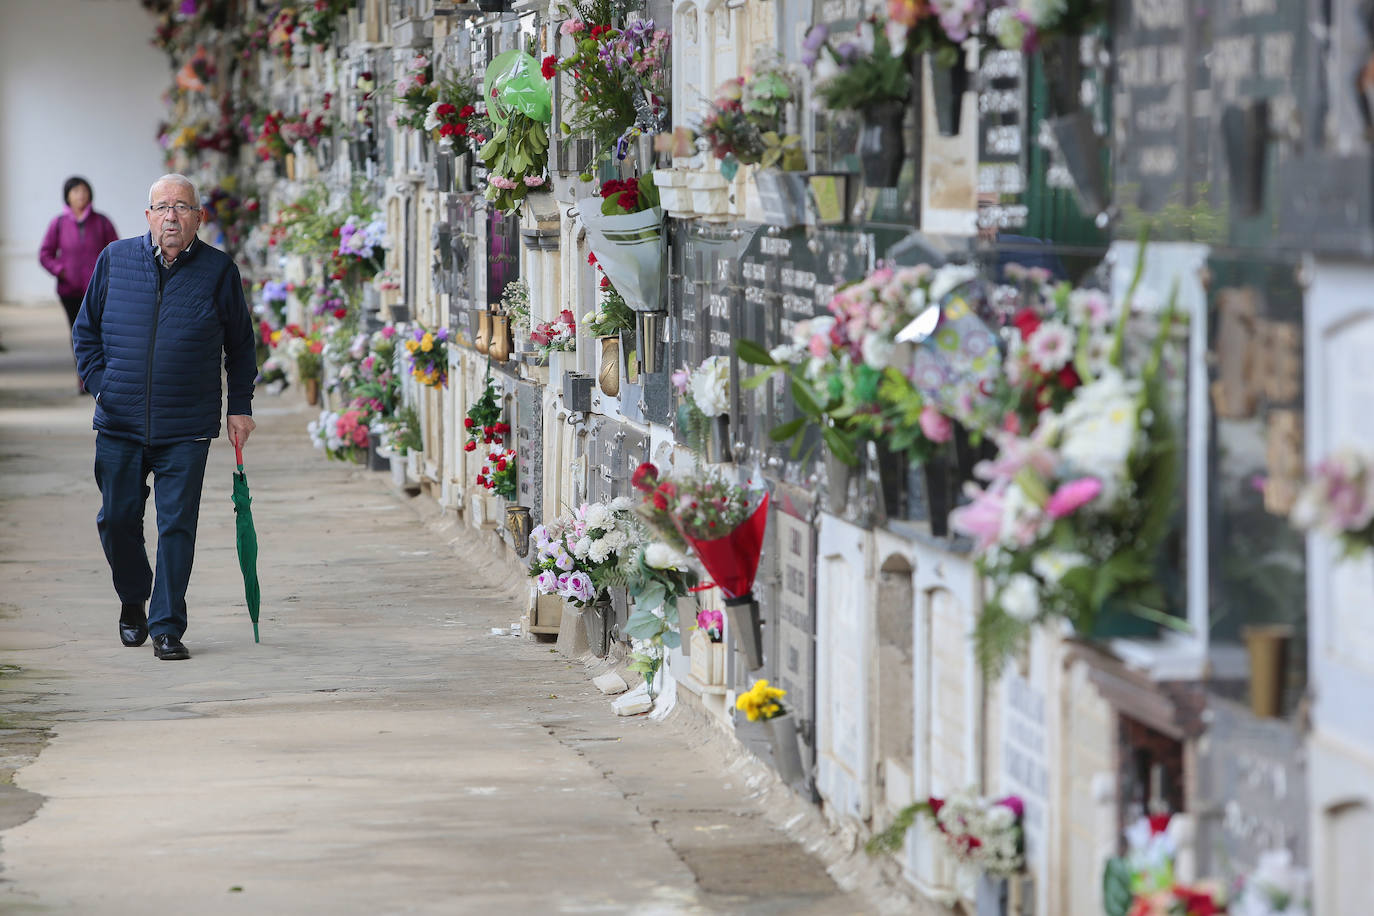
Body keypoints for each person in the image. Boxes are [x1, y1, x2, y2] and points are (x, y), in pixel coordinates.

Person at [71, 174, 257, 661]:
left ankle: (167, 625)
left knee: (177, 526)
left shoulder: (218, 271)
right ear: (148, 216)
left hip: (186, 427)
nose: (171, 215)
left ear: (199, 217)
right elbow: (85, 333)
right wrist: (103, 386)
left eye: (182, 206)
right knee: (117, 520)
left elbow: (240, 345)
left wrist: (240, 405)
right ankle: (134, 598)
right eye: (162, 206)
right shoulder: (115, 259)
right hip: (119, 423)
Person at [39, 176, 119, 393]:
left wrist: (107, 277)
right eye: (75, 192)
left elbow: (116, 252)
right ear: (67, 196)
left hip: (99, 291)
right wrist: (61, 270)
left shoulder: (102, 222)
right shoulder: (59, 224)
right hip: (70, 291)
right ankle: (83, 377)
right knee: (78, 333)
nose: (80, 195)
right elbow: (45, 254)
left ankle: (101, 375)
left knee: (101, 333)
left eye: (84, 191)